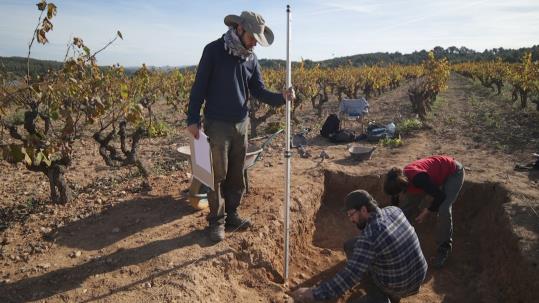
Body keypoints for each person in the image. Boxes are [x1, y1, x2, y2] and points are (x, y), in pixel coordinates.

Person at [186, 11, 295, 242]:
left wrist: (282, 97)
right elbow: (199, 87)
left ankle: (232, 213)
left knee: (236, 174)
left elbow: (258, 90)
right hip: (217, 124)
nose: (255, 42)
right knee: (217, 175)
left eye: (258, 38)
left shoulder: (251, 58)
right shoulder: (213, 50)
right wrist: (192, 119)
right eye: (253, 36)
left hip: (241, 124)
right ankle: (216, 221)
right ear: (240, 29)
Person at [291, 190, 427, 303]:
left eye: (351, 214)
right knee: (351, 245)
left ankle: (380, 299)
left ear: (363, 209)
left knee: (359, 276)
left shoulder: (369, 237)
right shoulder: (394, 210)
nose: (351, 220)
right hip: (419, 275)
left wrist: (313, 293)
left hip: (400, 286)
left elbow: (350, 276)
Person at [383, 155, 465, 268]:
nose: (397, 196)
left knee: (444, 209)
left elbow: (440, 196)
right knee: (406, 208)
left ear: (403, 187)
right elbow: (395, 201)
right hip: (431, 177)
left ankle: (444, 248)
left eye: (398, 193)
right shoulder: (397, 179)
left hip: (452, 172)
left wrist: (427, 211)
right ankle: (396, 241)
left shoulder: (418, 178)